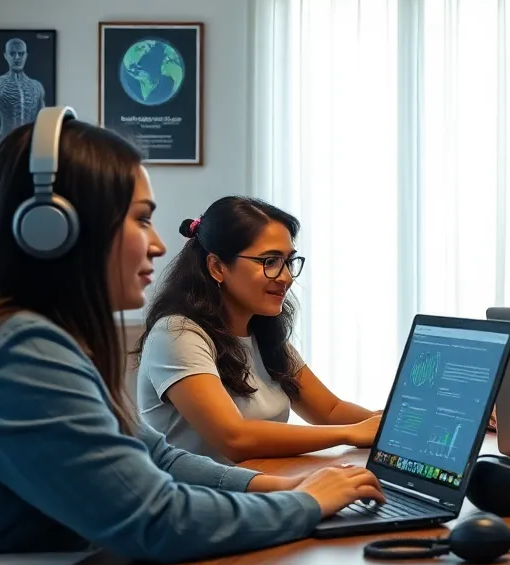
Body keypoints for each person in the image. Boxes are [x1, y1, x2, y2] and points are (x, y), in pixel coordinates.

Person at [0, 110, 382, 561]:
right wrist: (306, 503)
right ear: (52, 229)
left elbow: (161, 458)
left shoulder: (31, 340)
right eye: (140, 219)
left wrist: (284, 488)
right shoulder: (18, 355)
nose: (157, 243)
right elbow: (157, 520)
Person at [137, 197, 381, 464]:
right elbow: (235, 439)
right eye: (270, 261)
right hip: (195, 499)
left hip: (260, 490)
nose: (286, 276)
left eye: (288, 261)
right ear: (217, 267)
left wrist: (392, 427)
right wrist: (350, 434)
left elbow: (331, 411)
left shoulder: (262, 332)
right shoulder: (176, 334)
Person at [0, 37, 47, 147]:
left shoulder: (37, 86)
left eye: (21, 54)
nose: (17, 58)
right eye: (12, 53)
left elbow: (43, 118)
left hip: (30, 143)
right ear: (6, 55)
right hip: (7, 140)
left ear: (26, 55)